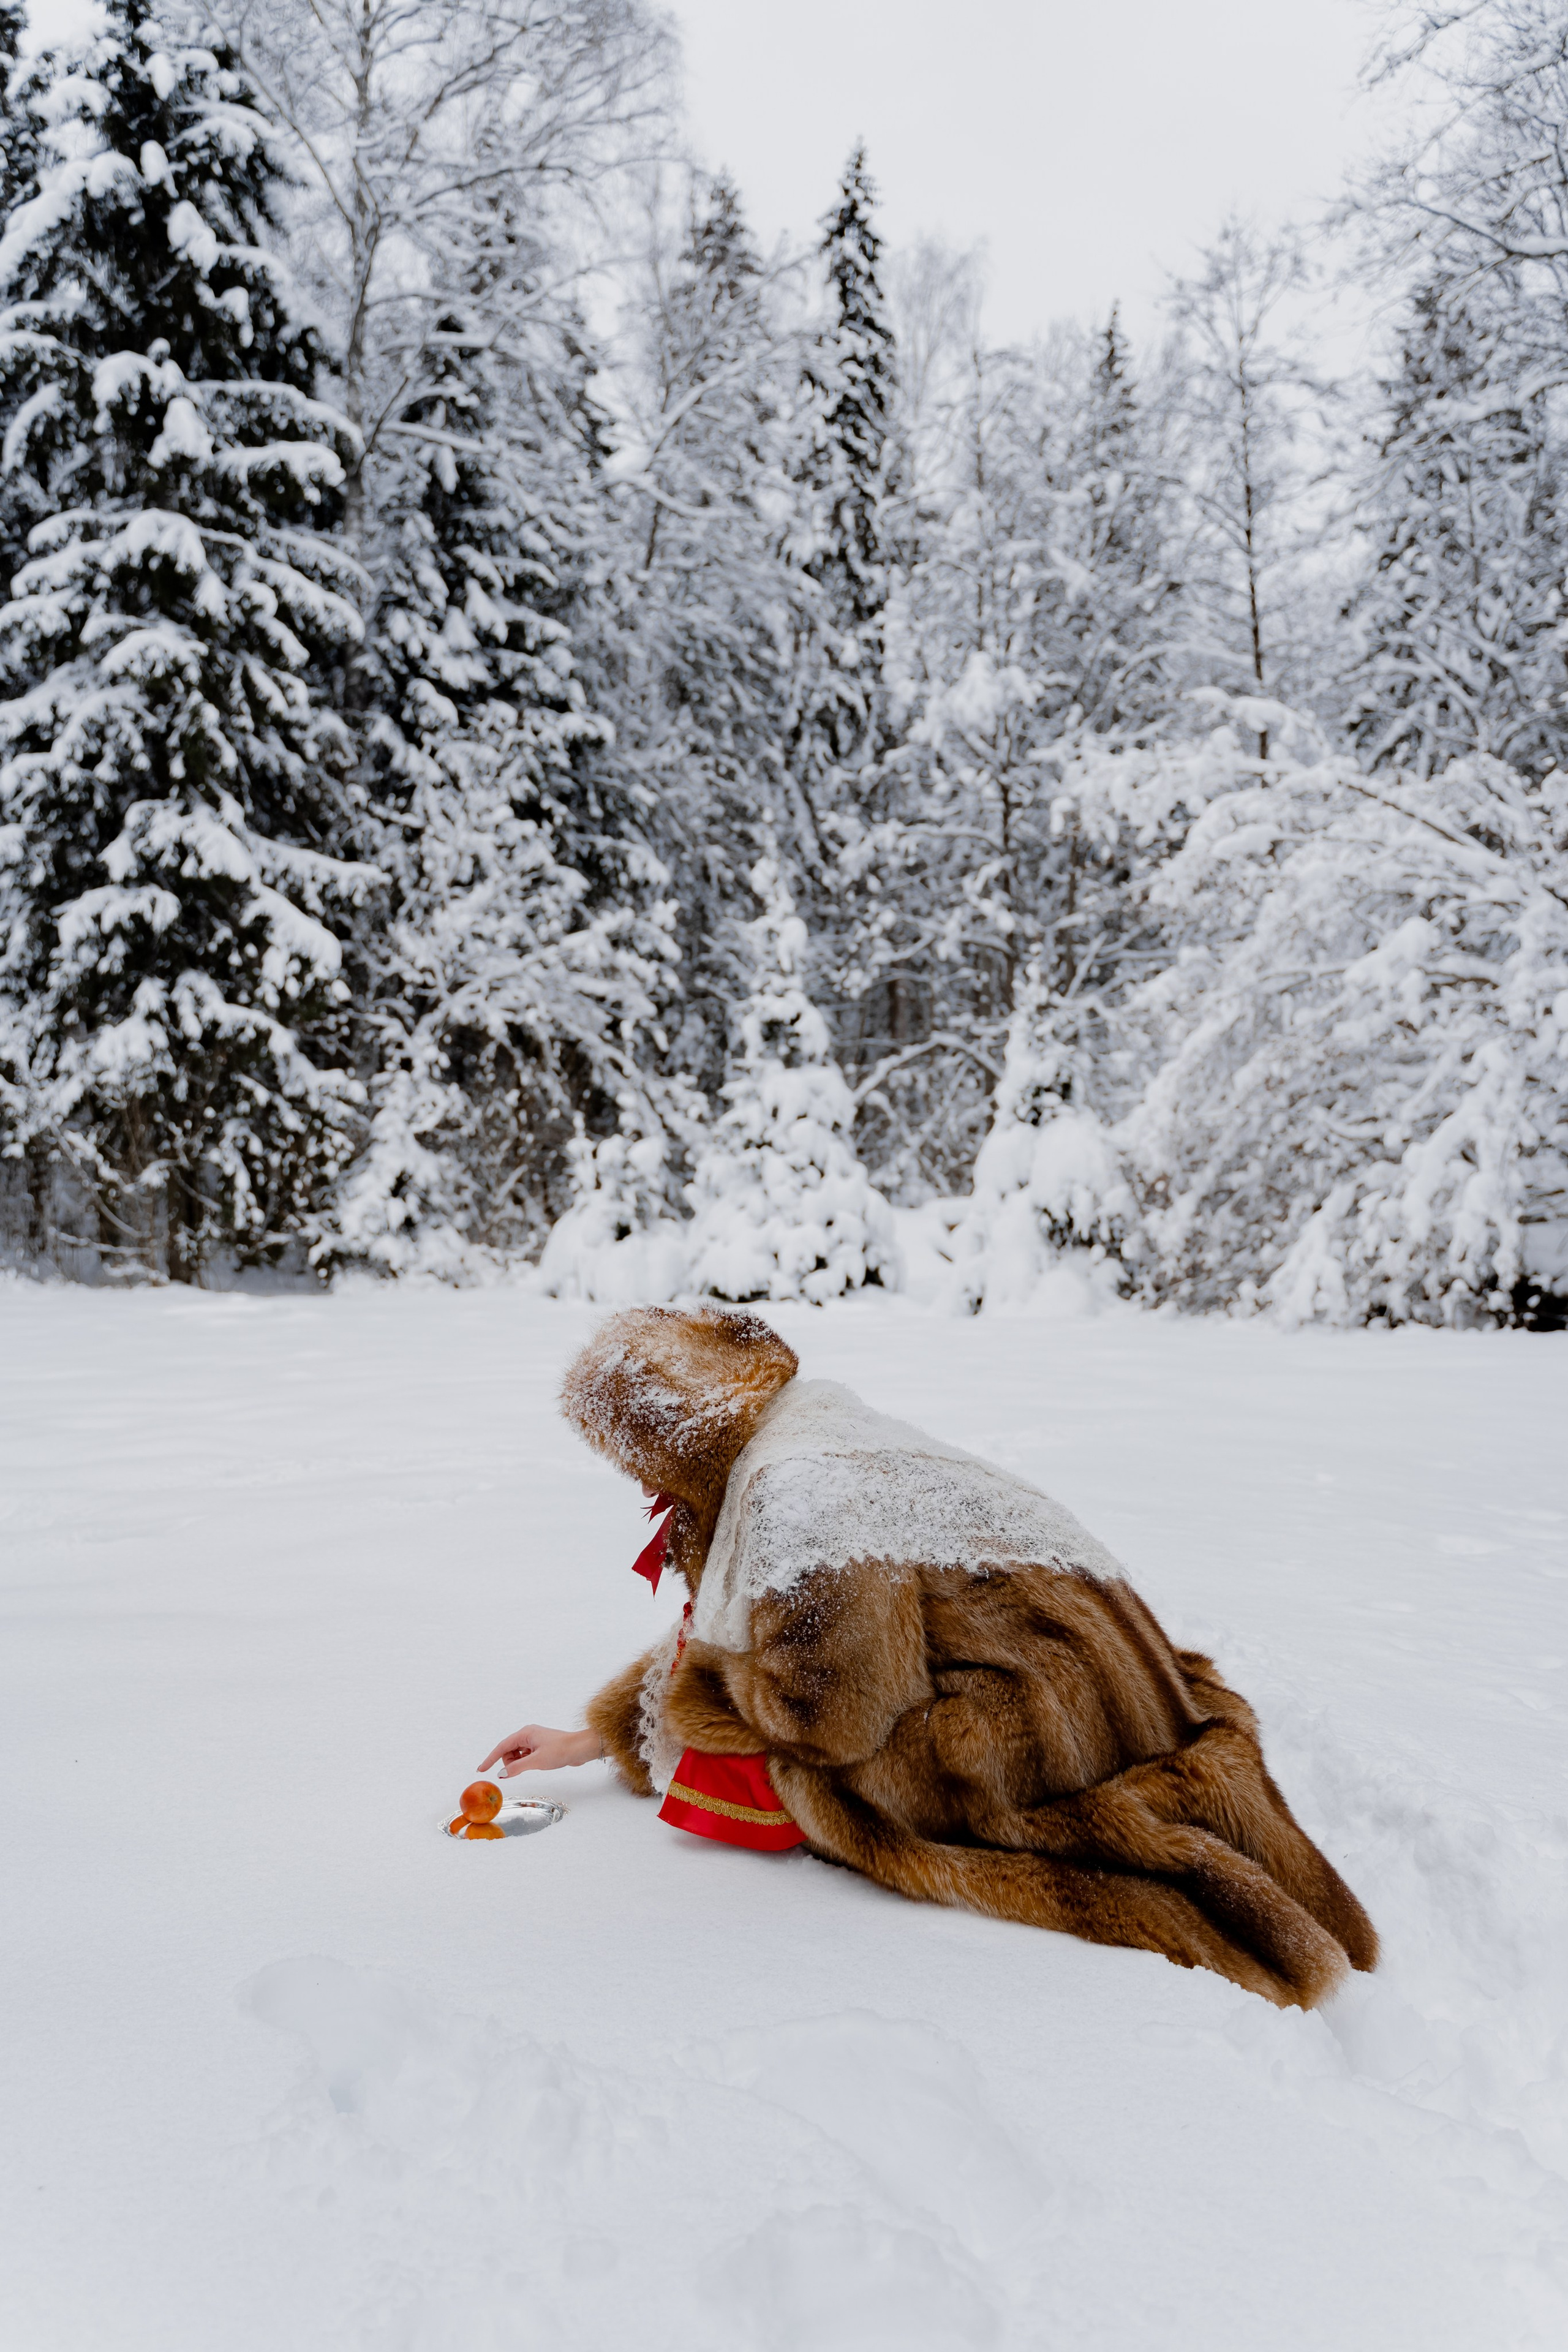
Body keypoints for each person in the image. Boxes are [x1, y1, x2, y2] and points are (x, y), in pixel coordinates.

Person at [480, 1304, 1377, 2007]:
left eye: (634, 1456)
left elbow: (829, 1715)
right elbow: (773, 1627)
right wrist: (595, 1739)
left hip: (1035, 1722)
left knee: (790, 1772)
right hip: (1120, 1687)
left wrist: (698, 1712)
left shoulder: (799, 1491)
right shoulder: (823, 1429)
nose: (641, 1483)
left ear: (673, 1436)